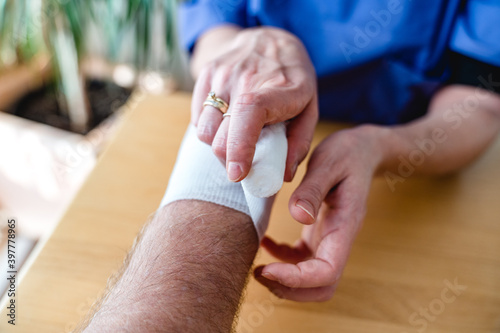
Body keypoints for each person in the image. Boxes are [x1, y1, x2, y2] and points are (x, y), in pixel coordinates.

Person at [79, 0, 500, 331]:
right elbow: (211, 24)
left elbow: (479, 102)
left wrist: (380, 147)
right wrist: (252, 50)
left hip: (408, 137)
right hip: (254, 97)